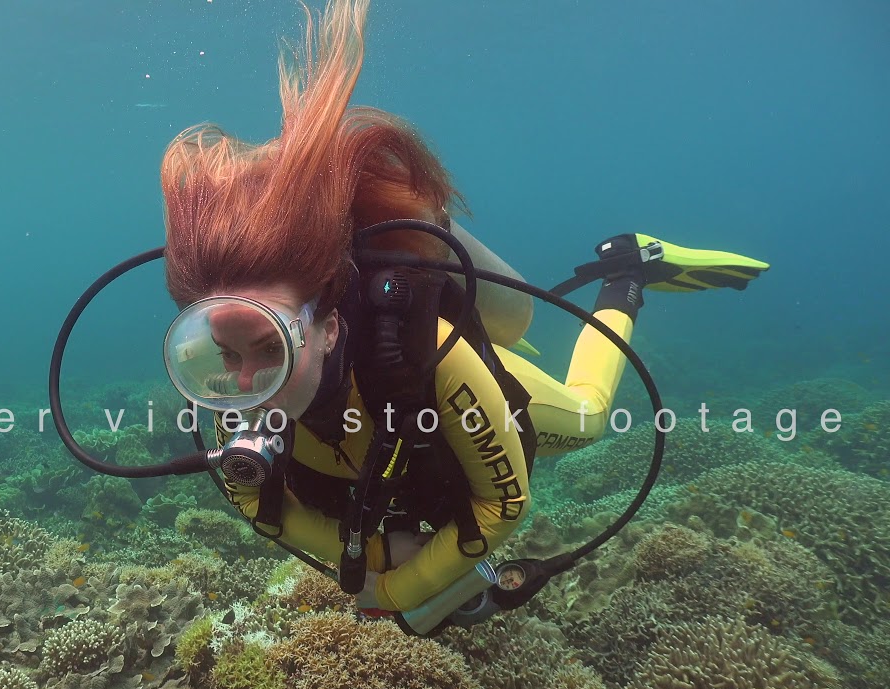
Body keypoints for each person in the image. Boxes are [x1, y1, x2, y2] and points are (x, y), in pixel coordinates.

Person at [157, 0, 768, 614]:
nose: (246, 384)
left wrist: (395, 587)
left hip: (468, 387)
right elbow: (262, 506)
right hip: (393, 464)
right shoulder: (229, 397)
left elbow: (503, 504)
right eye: (222, 353)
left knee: (588, 419)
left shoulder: (425, 358)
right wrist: (370, 556)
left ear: (327, 326)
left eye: (271, 348)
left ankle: (628, 272)